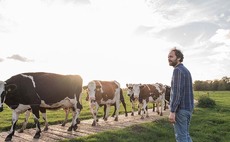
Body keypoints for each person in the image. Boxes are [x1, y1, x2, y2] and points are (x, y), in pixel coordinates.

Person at [168, 48, 194, 142]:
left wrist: (172, 111)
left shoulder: (177, 70)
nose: (169, 58)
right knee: (185, 135)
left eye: (171, 56)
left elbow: (177, 93)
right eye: (168, 57)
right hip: (188, 109)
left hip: (181, 110)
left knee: (181, 138)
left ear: (178, 58)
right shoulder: (186, 70)